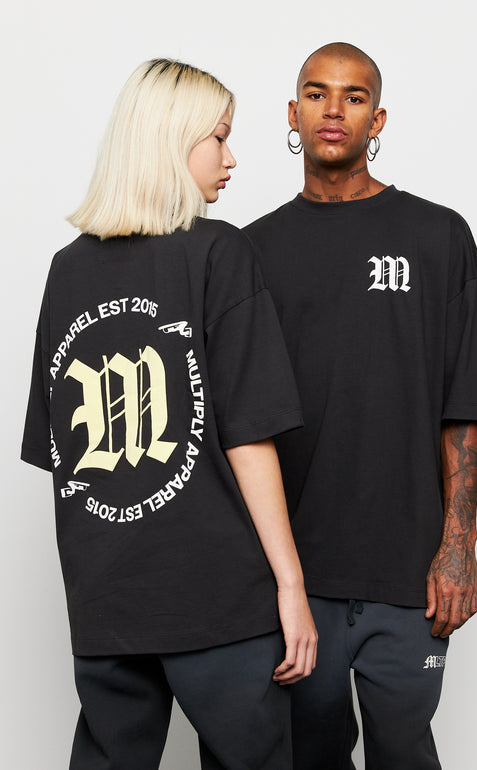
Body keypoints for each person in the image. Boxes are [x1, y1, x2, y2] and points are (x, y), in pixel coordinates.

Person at [21, 58, 317, 770]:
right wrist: (291, 586)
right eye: (220, 137)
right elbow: (248, 435)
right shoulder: (220, 251)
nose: (231, 158)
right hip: (217, 597)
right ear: (172, 140)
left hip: (104, 602)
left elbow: (62, 454)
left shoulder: (67, 269)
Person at [245, 42, 477, 770]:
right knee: (306, 757)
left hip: (408, 573)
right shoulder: (249, 252)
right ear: (292, 113)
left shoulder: (437, 236)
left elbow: (465, 402)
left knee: (404, 754)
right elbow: (236, 426)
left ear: (377, 118)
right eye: (317, 93)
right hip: (294, 580)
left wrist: (458, 546)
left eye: (354, 96)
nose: (334, 109)